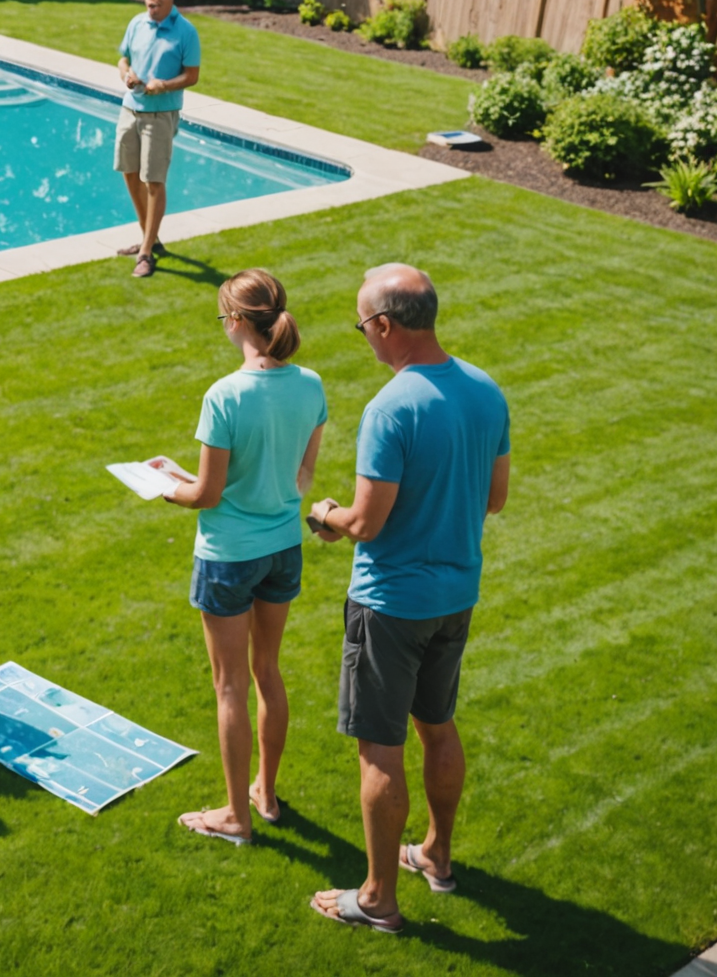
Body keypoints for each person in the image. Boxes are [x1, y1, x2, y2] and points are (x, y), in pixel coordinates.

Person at [305, 264, 510, 934]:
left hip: (391, 603)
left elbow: (367, 522)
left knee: (380, 749)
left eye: (363, 326)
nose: (364, 337)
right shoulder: (485, 390)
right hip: (457, 594)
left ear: (386, 325)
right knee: (438, 725)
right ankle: (438, 858)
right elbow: (495, 497)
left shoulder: (390, 407)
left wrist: (326, 513)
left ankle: (378, 898)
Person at [155, 270, 327, 847]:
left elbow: (207, 495)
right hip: (283, 549)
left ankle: (234, 814)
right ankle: (266, 794)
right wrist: (189, 476)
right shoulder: (311, 385)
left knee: (229, 685)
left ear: (234, 321)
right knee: (267, 672)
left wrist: (164, 487)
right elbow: (300, 478)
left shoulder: (224, 395)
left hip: (228, 555)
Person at [114, 0, 202, 280]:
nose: (151, 9)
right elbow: (123, 58)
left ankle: (146, 252)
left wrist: (163, 85)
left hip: (160, 115)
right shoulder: (137, 23)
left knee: (153, 181)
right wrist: (127, 74)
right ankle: (149, 239)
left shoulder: (186, 32)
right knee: (129, 173)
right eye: (148, 2)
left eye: (157, 3)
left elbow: (192, 75)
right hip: (130, 109)